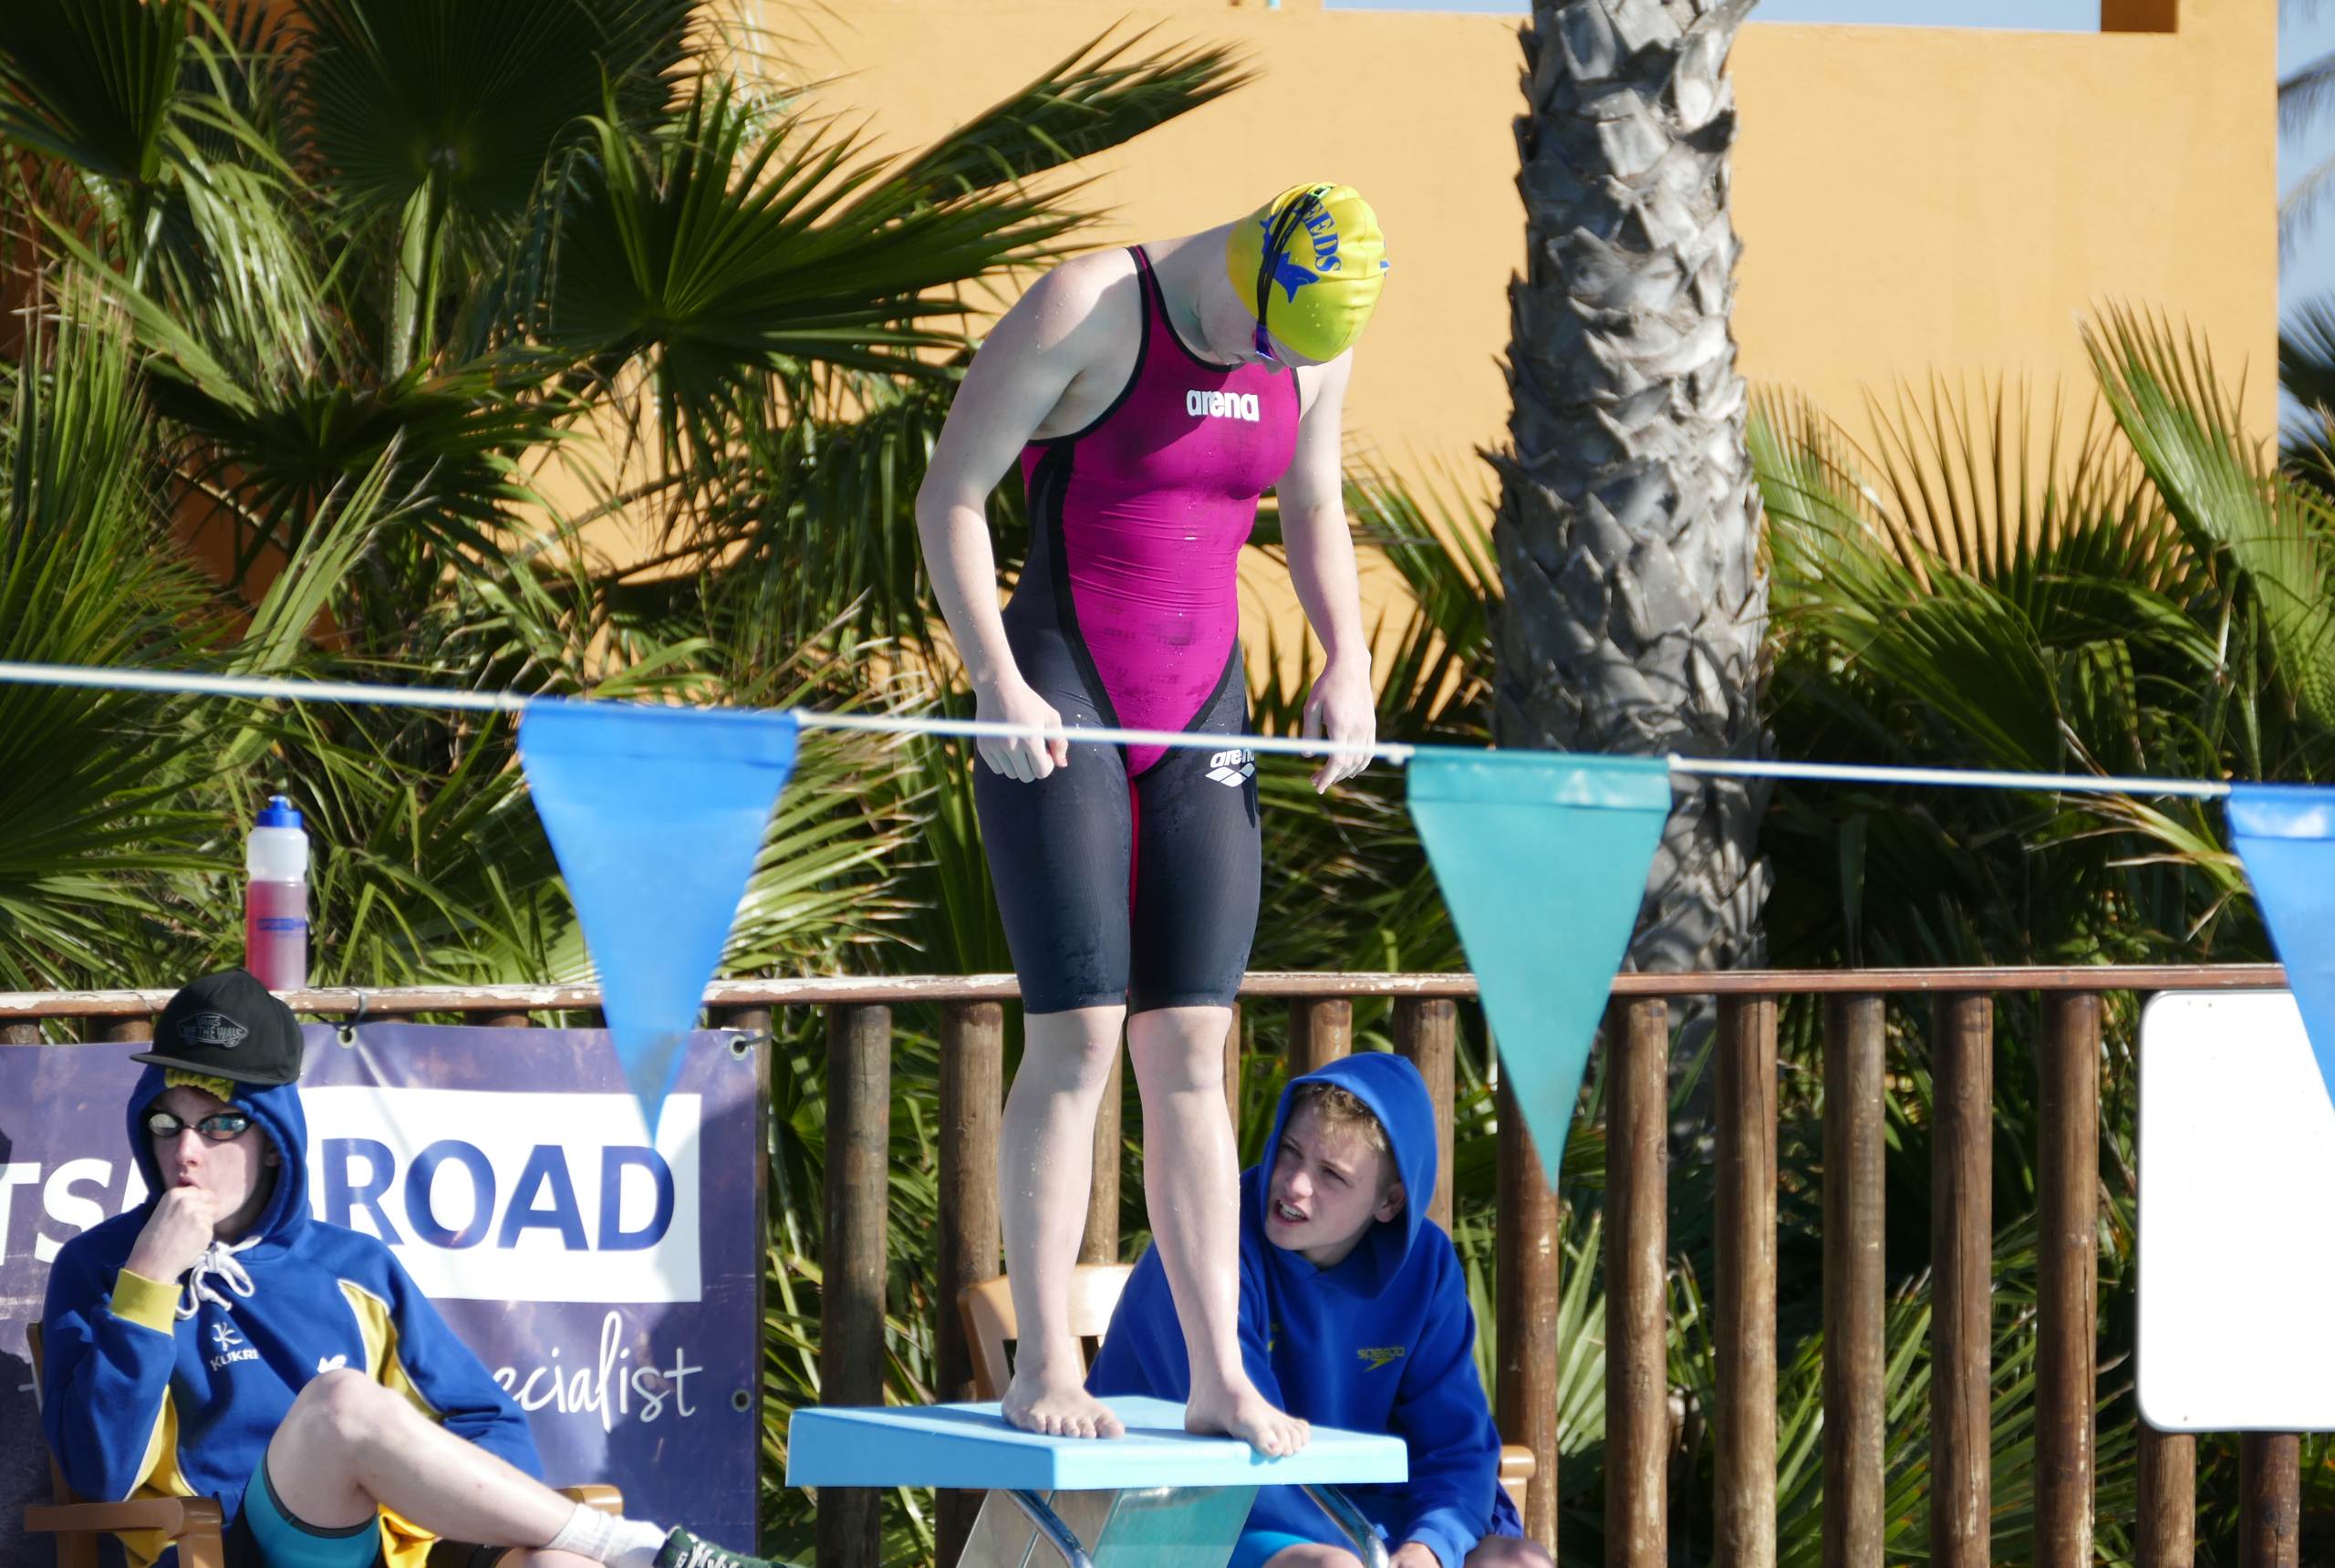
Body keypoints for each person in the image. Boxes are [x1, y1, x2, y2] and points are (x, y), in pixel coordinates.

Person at [914, 182, 1389, 1449]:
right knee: (1078, 1037)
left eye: (1291, 355)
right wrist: (993, 678)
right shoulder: (1091, 307)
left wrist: (1346, 657)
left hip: (1201, 715)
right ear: (1247, 259)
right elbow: (950, 495)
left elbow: (1313, 502)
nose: (1266, 364)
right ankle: (1045, 1364)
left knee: (1191, 1048)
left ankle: (1218, 1373)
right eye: (1263, 333)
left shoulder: (1311, 348)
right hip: (1059, 692)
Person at [38, 967, 789, 1568]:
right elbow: (100, 1473)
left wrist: (415, 1506)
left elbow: (490, 1422)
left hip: (373, 1545)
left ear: (271, 1138)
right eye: (166, 1122)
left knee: (556, 1563)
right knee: (340, 1402)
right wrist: (148, 1282)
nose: (186, 1151)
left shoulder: (353, 1264)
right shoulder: (100, 1267)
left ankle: (618, 1551)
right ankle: (641, 1548)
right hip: (218, 1547)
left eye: (220, 1123)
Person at [1087, 1054, 1551, 1568]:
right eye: (1289, 1151)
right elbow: (1242, 1456)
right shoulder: (1205, 1244)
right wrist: (1371, 1551)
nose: (1295, 1184)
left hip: (1353, 1514)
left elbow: (1457, 1445)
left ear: (1390, 1203)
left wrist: (1430, 1547)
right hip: (1186, 1508)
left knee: (1519, 1561)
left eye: (1331, 1174)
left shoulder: (1427, 1265)